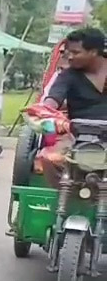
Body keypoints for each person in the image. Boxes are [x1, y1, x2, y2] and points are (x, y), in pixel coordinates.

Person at [39, 28, 107, 179]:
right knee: (48, 158)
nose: (69, 57)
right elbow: (53, 99)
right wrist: (44, 110)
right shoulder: (67, 76)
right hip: (77, 137)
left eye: (75, 52)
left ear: (94, 52)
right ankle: (68, 194)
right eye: (68, 52)